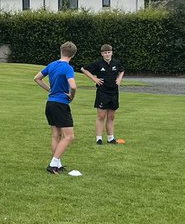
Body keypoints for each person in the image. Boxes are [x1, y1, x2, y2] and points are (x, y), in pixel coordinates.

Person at [35, 42, 78, 174]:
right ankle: (53, 164)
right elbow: (74, 86)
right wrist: (71, 96)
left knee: (56, 135)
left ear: (61, 51)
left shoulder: (52, 65)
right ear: (73, 55)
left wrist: (50, 89)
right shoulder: (68, 68)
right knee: (69, 136)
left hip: (50, 104)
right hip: (60, 105)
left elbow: (37, 78)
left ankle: (57, 165)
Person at [81, 44, 125, 145]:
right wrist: (94, 79)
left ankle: (111, 138)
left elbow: (122, 70)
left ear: (112, 53)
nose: (107, 54)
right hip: (102, 93)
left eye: (109, 52)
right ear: (102, 54)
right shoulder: (98, 63)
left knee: (111, 117)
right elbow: (84, 69)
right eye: (105, 53)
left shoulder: (116, 63)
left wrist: (119, 79)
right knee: (101, 116)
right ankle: (99, 138)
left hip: (114, 92)